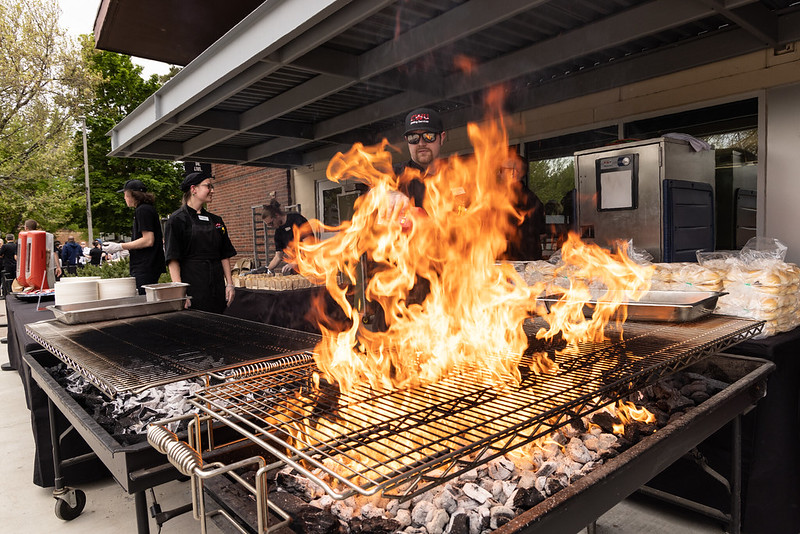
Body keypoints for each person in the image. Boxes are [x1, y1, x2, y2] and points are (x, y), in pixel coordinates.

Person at [164, 171, 236, 313]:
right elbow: (173, 259)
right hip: (193, 285)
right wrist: (180, 292)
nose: (212, 190)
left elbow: (224, 254)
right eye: (208, 186)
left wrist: (229, 284)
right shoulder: (177, 220)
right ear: (193, 189)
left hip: (216, 285)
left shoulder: (216, 221)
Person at [103, 180, 166, 293]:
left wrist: (120, 246)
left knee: (144, 300)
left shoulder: (143, 210)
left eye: (125, 194)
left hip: (145, 266)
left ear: (132, 195)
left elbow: (148, 240)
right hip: (149, 264)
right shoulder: (147, 209)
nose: (124, 198)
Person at [391, 107, 447, 209]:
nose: (421, 143)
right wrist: (385, 196)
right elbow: (371, 194)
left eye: (429, 136)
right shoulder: (394, 175)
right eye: (413, 138)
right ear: (407, 140)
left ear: (441, 138)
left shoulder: (460, 174)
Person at [501, 153, 546, 261]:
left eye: (502, 169)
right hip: (529, 262)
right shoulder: (533, 199)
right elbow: (542, 234)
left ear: (513, 172)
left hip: (515, 265)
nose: (499, 173)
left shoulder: (513, 200)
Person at [261, 200, 311, 274]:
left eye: (271, 223)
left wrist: (294, 262)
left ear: (277, 215)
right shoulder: (278, 232)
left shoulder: (296, 219)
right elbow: (278, 256)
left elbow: (309, 245)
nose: (271, 226)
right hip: (296, 268)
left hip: (310, 265)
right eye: (268, 225)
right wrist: (268, 269)